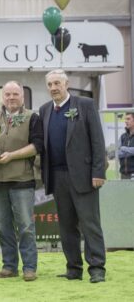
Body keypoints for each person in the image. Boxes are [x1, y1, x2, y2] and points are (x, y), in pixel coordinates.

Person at [39, 69, 106, 283]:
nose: (53, 88)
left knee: (90, 224)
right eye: (50, 84)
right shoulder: (45, 110)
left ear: (66, 84)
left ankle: (96, 268)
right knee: (66, 226)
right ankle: (73, 268)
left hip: (85, 176)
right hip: (57, 177)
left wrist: (98, 172)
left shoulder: (84, 105)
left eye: (57, 83)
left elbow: (97, 140)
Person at [0, 81, 43, 282]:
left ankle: (29, 267)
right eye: (7, 94)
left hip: (22, 180)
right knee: (2, 227)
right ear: (2, 97)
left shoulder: (33, 117)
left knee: (25, 227)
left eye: (15, 94)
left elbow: (37, 146)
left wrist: (12, 156)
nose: (11, 98)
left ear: (22, 97)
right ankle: (9, 266)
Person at [118, 112, 134, 180]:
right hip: (123, 174)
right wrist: (130, 151)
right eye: (125, 119)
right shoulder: (122, 136)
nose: (125, 121)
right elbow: (118, 153)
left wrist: (123, 148)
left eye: (128, 119)